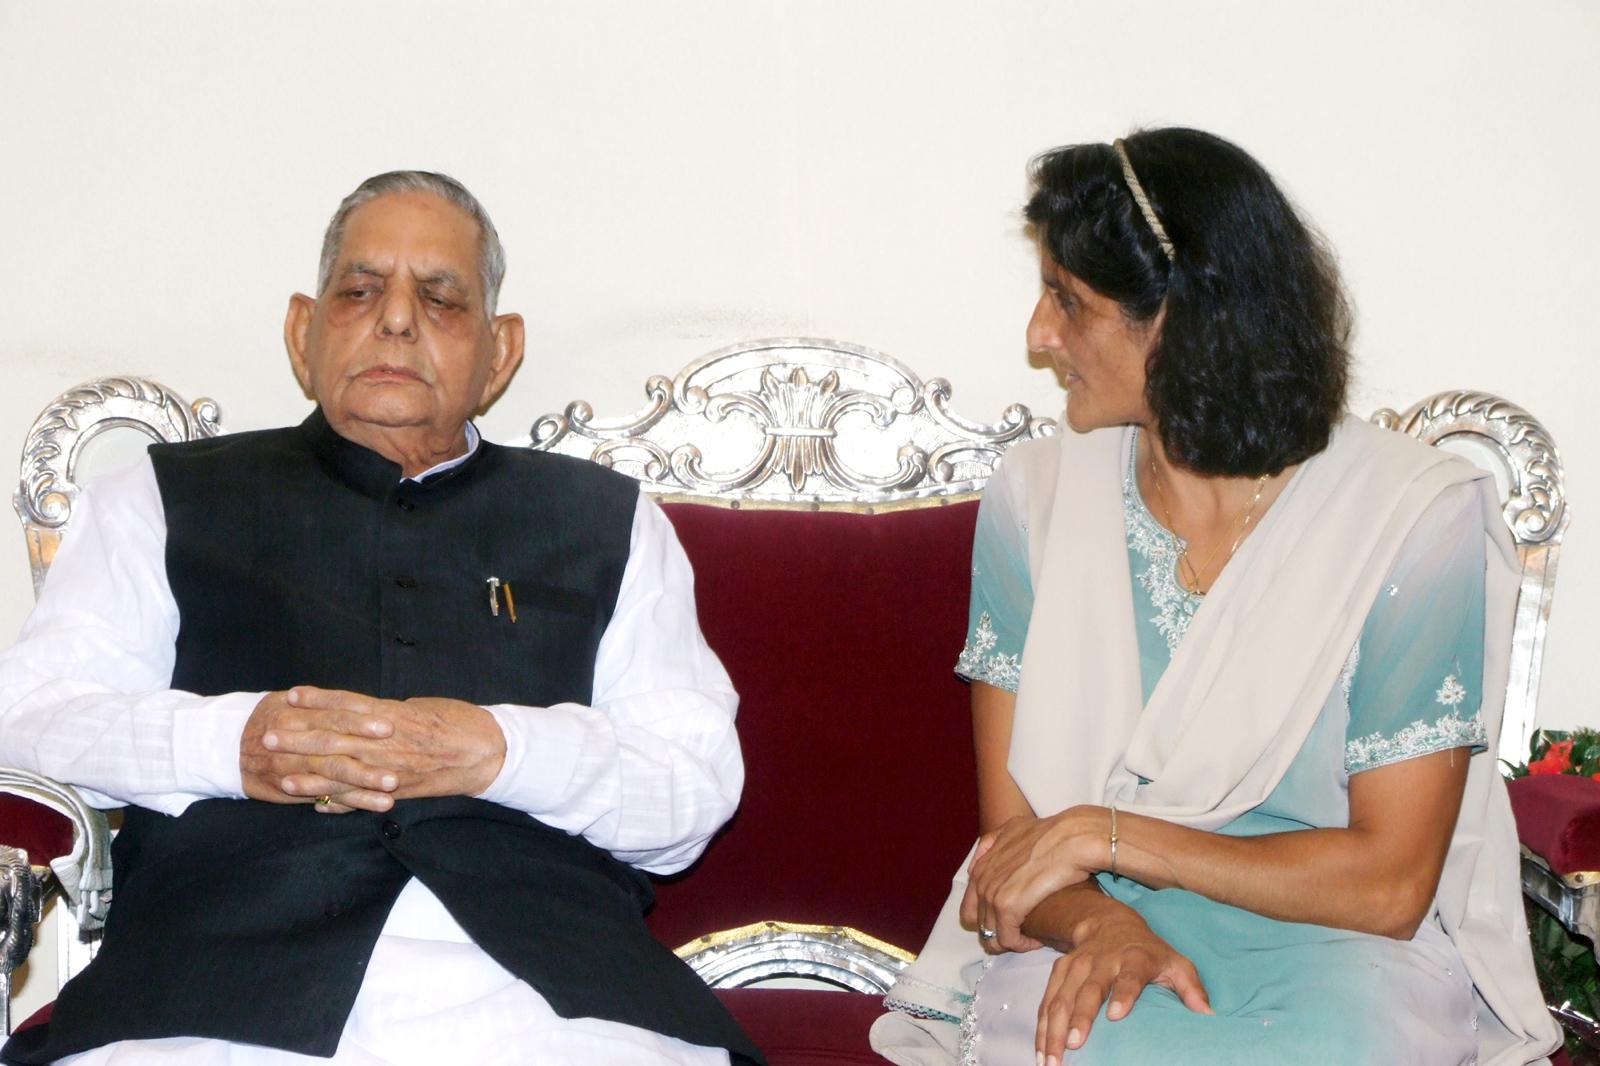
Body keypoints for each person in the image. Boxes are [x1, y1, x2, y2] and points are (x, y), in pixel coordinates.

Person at [0, 171, 762, 1066]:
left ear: (501, 353)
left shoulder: (609, 522)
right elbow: (28, 720)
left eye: (440, 300)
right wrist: (234, 742)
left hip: (548, 992)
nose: (396, 320)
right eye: (359, 292)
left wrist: (497, 751)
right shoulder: (160, 499)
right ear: (302, 331)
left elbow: (693, 789)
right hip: (214, 987)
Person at [870, 129, 1559, 1065]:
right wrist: (1101, 923)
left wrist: (1114, 836)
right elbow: (1014, 843)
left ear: (1183, 323)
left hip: (1342, 947)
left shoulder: (1405, 518)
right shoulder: (1037, 502)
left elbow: (1390, 887)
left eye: (1069, 301)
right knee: (1094, 1042)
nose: (1038, 335)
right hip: (1087, 922)